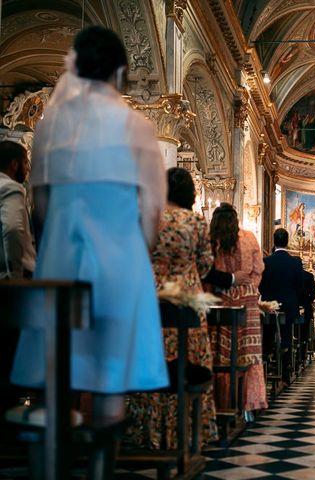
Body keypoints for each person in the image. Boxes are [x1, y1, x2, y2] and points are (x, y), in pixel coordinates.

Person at [11, 26, 168, 420]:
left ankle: (51, 461)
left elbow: (40, 204)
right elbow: (151, 212)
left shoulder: (50, 125)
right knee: (109, 377)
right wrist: (136, 254)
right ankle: (102, 464)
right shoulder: (138, 127)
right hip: (120, 265)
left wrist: (59, 245)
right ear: (121, 72)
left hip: (61, 261)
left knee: (55, 371)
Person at [126, 167, 217, 449]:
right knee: (188, 364)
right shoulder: (197, 223)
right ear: (190, 193)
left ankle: (149, 431)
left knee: (150, 362)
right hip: (186, 298)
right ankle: (188, 432)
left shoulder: (148, 219)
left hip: (150, 296)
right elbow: (204, 265)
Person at [209, 203, 267, 413]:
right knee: (248, 352)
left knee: (220, 352)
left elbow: (205, 270)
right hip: (247, 302)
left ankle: (222, 401)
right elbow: (258, 270)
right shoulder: (249, 237)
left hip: (218, 299)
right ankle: (249, 401)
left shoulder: (211, 240)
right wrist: (249, 287)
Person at [260, 228, 304, 383]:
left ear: (274, 241)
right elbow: (300, 285)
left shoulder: (266, 262)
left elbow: (261, 285)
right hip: (289, 306)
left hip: (269, 306)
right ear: (287, 241)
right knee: (287, 337)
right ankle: (285, 370)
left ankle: (266, 369)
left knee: (268, 336)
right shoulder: (295, 262)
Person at [0, 141, 35, 280]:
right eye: (25, 162)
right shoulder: (11, 187)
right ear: (14, 165)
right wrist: (16, 276)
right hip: (14, 276)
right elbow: (12, 229)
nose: (27, 168)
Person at [300, 269, 315, 361]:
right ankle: (302, 355)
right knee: (304, 332)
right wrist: (306, 303)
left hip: (292, 306)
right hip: (306, 308)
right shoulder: (309, 275)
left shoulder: (290, 274)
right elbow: (313, 294)